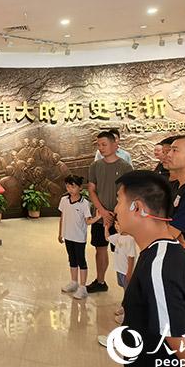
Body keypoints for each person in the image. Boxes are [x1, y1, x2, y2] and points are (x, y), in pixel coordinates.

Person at [113, 171, 185, 367]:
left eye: (119, 201)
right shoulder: (166, 253)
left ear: (137, 208)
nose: (115, 209)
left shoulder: (159, 266)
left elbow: (181, 340)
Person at [87, 131, 133, 293]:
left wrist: (115, 215)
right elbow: (91, 190)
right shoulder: (95, 166)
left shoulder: (125, 167)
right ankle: (100, 281)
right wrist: (103, 212)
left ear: (115, 145)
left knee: (122, 252)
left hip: (119, 219)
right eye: (98, 145)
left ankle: (127, 290)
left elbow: (128, 194)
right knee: (100, 248)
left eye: (104, 144)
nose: (101, 148)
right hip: (100, 216)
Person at [57, 175, 96, 300]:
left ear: (80, 188)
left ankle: (82, 287)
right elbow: (62, 217)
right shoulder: (64, 200)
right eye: (68, 186)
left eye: (73, 187)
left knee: (81, 261)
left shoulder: (85, 203)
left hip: (79, 237)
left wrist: (98, 217)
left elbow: (88, 221)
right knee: (72, 259)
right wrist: (60, 233)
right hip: (68, 236)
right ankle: (74, 282)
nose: (70, 189)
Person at [104, 218, 137, 324]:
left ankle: (128, 315)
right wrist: (106, 227)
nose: (116, 226)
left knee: (128, 292)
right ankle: (124, 306)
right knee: (124, 289)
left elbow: (131, 257)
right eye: (115, 224)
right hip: (119, 270)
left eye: (118, 224)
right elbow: (107, 238)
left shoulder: (130, 239)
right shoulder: (118, 236)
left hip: (126, 271)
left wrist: (129, 272)